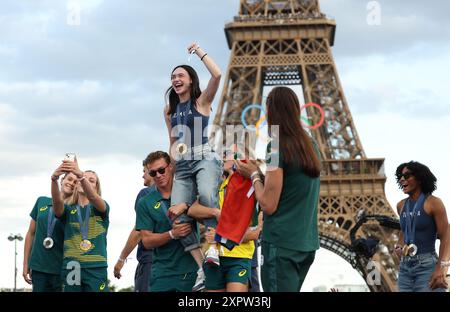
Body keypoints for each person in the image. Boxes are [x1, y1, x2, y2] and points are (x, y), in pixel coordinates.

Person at [235, 86, 321, 292]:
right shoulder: (311, 145)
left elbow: (268, 204)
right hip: (306, 244)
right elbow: (290, 187)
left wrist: (254, 174)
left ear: (273, 111)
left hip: (281, 245)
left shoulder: (275, 146)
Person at [163, 42, 222, 289]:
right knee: (176, 218)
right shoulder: (169, 111)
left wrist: (199, 52)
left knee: (208, 195)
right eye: (173, 76)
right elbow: (173, 142)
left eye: (181, 75)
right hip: (183, 164)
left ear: (190, 81)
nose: (176, 79)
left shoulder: (201, 101)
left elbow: (217, 75)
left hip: (204, 157)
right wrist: (171, 173)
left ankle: (213, 247)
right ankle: (201, 267)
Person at [181, 158, 261, 292]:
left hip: (238, 257)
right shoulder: (218, 186)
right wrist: (215, 212)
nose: (221, 157)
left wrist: (220, 235)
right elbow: (192, 209)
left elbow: (256, 232)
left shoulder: (251, 188)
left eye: (226, 154)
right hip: (213, 258)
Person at [135, 151, 198, 292]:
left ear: (170, 167)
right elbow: (146, 241)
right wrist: (172, 234)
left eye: (161, 170)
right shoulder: (145, 202)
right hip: (162, 274)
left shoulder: (189, 192)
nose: (158, 175)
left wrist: (187, 206)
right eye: (153, 173)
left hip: (192, 271)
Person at [52, 157, 110, 292]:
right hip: (72, 265)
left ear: (96, 187)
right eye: (83, 179)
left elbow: (94, 198)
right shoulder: (68, 209)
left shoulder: (101, 207)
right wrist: (54, 180)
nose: (86, 181)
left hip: (96, 266)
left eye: (91, 181)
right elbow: (57, 203)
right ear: (76, 185)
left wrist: (81, 177)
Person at [395, 161, 449, 292]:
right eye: (400, 177)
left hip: (427, 266)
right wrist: (398, 246)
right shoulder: (401, 206)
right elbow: (404, 230)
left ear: (419, 178)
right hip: (405, 269)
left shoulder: (434, 203)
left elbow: (446, 236)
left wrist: (441, 268)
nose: (402, 179)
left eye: (407, 176)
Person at [23, 165, 78, 292]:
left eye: (75, 182)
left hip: (62, 268)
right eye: (69, 179)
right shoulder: (41, 201)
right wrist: (26, 263)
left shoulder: (74, 210)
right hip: (39, 267)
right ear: (62, 180)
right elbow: (30, 234)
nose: (71, 183)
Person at [114, 154, 155, 292]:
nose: (142, 176)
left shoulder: (146, 193)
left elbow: (139, 231)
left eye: (144, 171)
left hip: (149, 261)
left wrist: (121, 259)